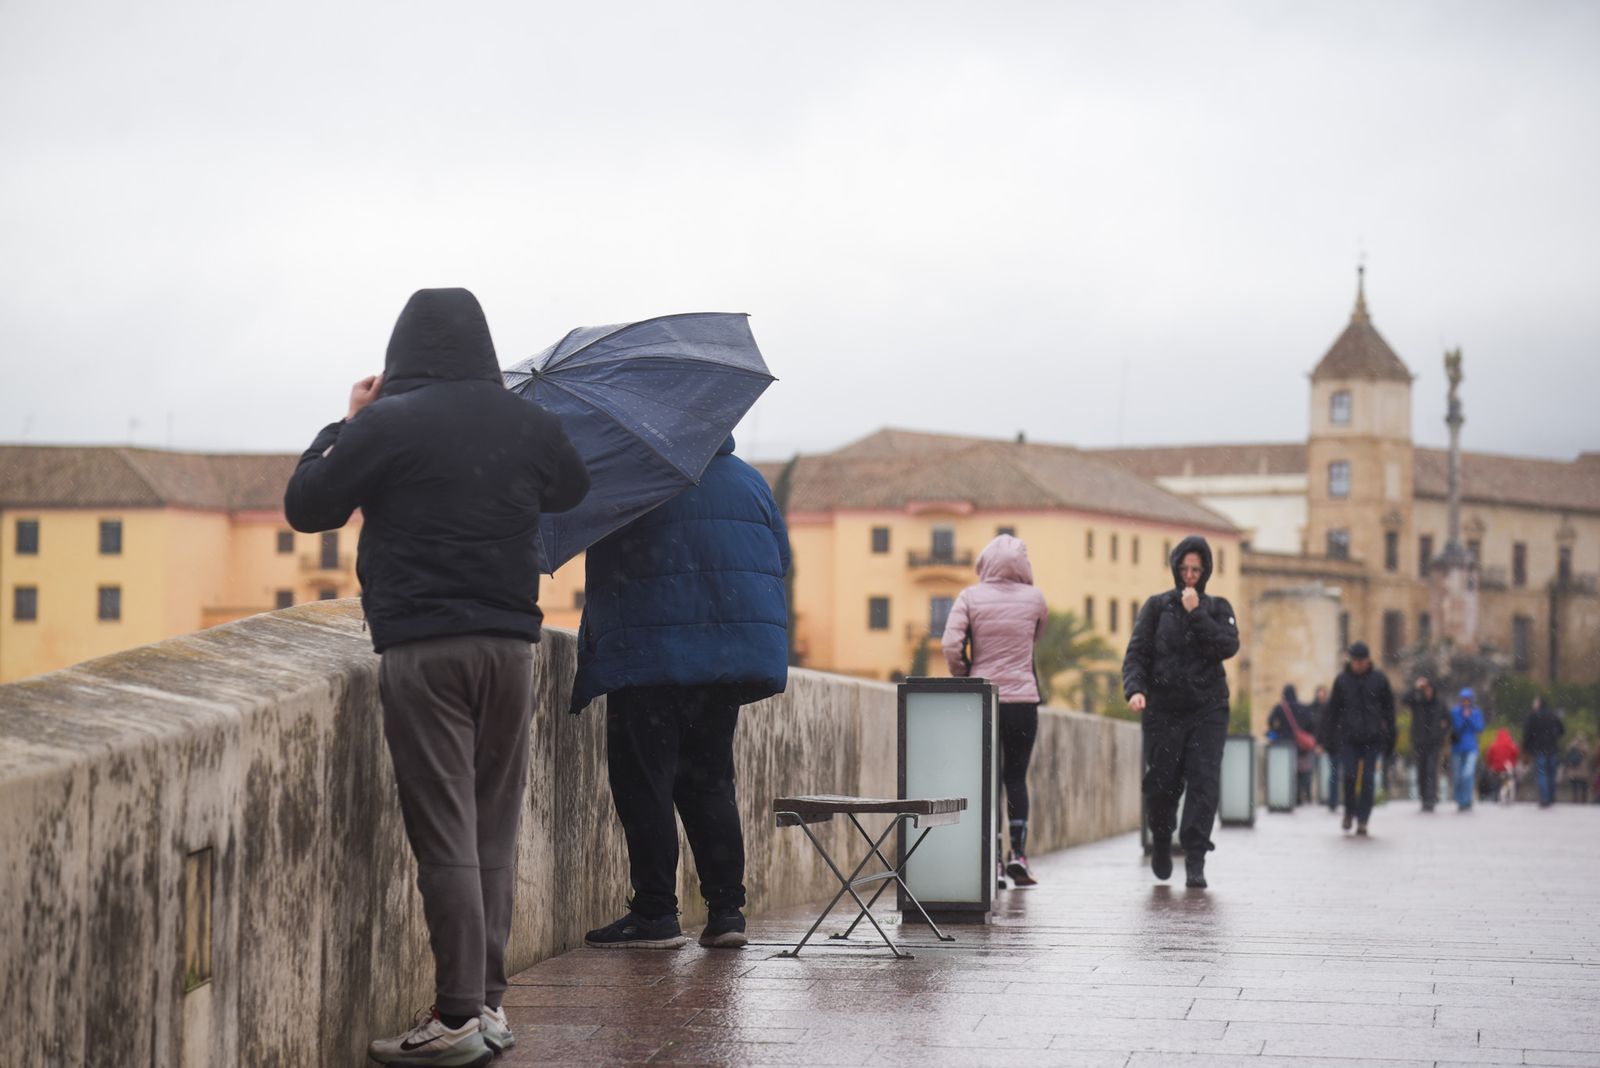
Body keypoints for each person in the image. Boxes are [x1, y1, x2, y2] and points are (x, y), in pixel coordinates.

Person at [285, 288, 590, 1066]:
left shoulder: (388, 422)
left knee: (445, 834)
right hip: (512, 646)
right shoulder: (530, 424)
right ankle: (487, 1006)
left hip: (425, 645)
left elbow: (310, 505)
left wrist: (347, 422)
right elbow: (572, 489)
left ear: (401, 353)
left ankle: (454, 1016)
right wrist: (509, 424)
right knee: (492, 827)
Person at [572, 435, 790, 951]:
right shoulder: (749, 480)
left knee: (644, 785)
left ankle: (655, 914)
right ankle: (726, 912)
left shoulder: (635, 479)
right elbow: (777, 558)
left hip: (648, 657)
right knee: (709, 782)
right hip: (721, 661)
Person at [1122, 535, 1240, 890]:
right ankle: (1160, 838)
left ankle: (1195, 857)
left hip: (1209, 708)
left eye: (1196, 570)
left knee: (1204, 782)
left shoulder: (1218, 608)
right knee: (1161, 784)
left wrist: (1197, 612)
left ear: (1205, 572)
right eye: (1184, 568)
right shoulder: (1157, 607)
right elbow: (1137, 653)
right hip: (1164, 709)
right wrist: (1136, 689)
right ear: (1175, 568)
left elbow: (1227, 645)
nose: (1189, 575)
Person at [942, 533, 1049, 887]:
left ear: (985, 562)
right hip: (1023, 701)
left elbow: (950, 644)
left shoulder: (970, 597)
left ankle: (994, 863)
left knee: (986, 780)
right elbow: (1036, 637)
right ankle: (1018, 855)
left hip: (984, 702)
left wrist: (967, 673)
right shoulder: (1035, 600)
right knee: (1016, 778)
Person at [1320, 641, 1396, 836]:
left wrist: (1390, 737)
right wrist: (1327, 739)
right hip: (1349, 737)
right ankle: (1349, 812)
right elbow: (1332, 711)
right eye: (1354, 661)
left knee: (1369, 779)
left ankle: (1363, 819)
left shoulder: (1379, 680)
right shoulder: (1342, 681)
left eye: (1360, 661)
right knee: (1350, 776)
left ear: (1368, 661)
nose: (1357, 665)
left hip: (1372, 738)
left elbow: (1389, 710)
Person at [1405, 677, 1450, 812]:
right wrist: (1415, 687)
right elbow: (1405, 700)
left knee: (1431, 770)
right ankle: (1424, 797)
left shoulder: (1440, 704)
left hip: (1434, 743)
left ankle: (1430, 799)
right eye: (1426, 690)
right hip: (1419, 743)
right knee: (1421, 771)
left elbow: (1448, 720)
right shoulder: (1417, 702)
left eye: (1430, 690)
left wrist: (1442, 730)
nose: (1428, 692)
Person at [1266, 684, 1315, 803]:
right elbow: (1311, 725)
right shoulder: (1303, 708)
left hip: (1284, 744)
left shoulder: (1280, 708)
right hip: (1300, 746)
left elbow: (1270, 721)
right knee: (1300, 770)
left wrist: (1277, 731)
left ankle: (1287, 795)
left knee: (1286, 771)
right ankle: (1300, 794)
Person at [1522, 697, 1565, 808]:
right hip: (1552, 749)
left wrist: (1526, 747)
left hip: (1540, 749)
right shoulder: (1553, 715)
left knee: (1542, 774)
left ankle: (1545, 798)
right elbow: (1562, 730)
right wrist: (1554, 737)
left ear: (1539, 704)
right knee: (1552, 774)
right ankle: (1551, 797)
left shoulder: (1533, 716)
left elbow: (1527, 733)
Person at [1450, 688, 1486, 811]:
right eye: (1463, 700)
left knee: (1468, 774)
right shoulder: (1455, 712)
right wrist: (1462, 717)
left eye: (1468, 700)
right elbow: (1454, 728)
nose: (1466, 702)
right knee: (1458, 776)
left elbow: (1479, 728)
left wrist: (1469, 717)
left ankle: (1467, 799)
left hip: (1471, 747)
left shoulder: (1476, 712)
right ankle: (1460, 800)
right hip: (1457, 748)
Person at [1308, 684, 1337, 809]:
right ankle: (1312, 796)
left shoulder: (1331, 709)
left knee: (1331, 773)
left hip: (1329, 744)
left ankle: (1329, 799)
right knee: (1312, 771)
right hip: (1316, 743)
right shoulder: (1312, 709)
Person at [1486, 727, 1521, 805]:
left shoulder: (1493, 745)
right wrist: (1514, 764)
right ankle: (1510, 796)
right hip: (1508, 768)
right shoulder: (1511, 744)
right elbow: (1516, 754)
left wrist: (1490, 765)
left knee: (1495, 782)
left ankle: (1495, 795)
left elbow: (1489, 756)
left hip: (1497, 769)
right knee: (1512, 781)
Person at [1565, 733, 1590, 804]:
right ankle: (1583, 799)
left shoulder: (1572, 745)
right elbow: (1587, 753)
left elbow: (1568, 753)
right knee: (1583, 785)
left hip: (1573, 769)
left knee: (1574, 786)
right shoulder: (1585, 745)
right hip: (1582, 771)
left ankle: (1575, 799)